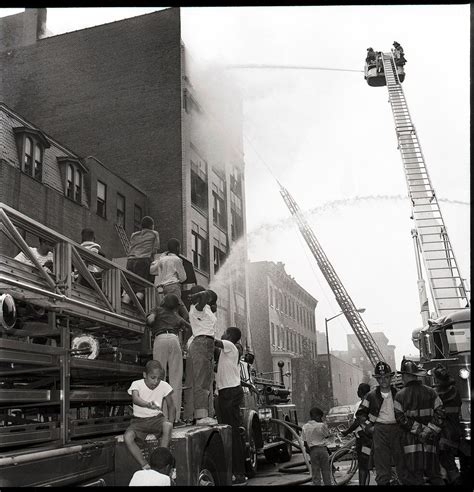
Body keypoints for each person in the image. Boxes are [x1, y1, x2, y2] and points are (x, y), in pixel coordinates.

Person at [394, 358, 445, 485]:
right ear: (416, 375)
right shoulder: (432, 392)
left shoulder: (400, 396)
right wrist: (428, 430)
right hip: (430, 443)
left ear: (405, 376)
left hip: (410, 445)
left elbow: (400, 419)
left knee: (414, 477)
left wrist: (419, 430)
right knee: (435, 475)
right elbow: (441, 413)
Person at [355, 361, 405, 486]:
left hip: (397, 430)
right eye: (380, 378)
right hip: (379, 431)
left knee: (402, 462)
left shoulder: (399, 394)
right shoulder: (370, 396)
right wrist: (369, 428)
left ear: (391, 377)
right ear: (376, 379)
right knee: (381, 464)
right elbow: (360, 414)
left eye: (386, 377)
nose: (383, 380)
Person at [146, 293, 191, 428]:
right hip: (174, 339)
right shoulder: (176, 316)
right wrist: (184, 345)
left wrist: (151, 319)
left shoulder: (157, 310)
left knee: (158, 379)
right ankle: (174, 419)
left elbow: (150, 320)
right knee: (176, 379)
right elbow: (189, 327)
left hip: (160, 339)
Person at [124, 360, 174, 469]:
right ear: (145, 375)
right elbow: (136, 399)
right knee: (128, 437)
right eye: (153, 377)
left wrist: (171, 422)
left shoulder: (164, 385)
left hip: (157, 419)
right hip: (139, 422)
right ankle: (144, 464)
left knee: (168, 426)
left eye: (159, 378)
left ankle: (161, 461)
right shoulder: (136, 384)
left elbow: (171, 406)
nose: (156, 381)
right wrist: (147, 404)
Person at [214, 326, 247, 485]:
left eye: (225, 332)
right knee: (230, 432)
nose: (223, 333)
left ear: (229, 336)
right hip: (227, 392)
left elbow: (214, 342)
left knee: (232, 433)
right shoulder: (226, 353)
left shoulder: (230, 346)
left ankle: (239, 474)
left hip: (230, 392)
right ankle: (237, 472)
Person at [188, 286, 219, 426]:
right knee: (201, 381)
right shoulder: (197, 307)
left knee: (206, 382)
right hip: (201, 342)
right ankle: (201, 416)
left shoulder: (205, 309)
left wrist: (211, 303)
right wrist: (203, 295)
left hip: (207, 344)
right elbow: (205, 296)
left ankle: (205, 414)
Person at [432, 364, 462, 484]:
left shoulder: (440, 393)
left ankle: (455, 482)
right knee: (447, 461)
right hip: (454, 430)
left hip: (445, 433)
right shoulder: (454, 390)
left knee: (447, 462)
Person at [150, 238, 189, 321]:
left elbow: (152, 270)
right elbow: (183, 278)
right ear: (178, 248)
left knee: (167, 310)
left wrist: (160, 257)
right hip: (173, 287)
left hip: (162, 288)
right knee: (177, 312)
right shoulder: (177, 260)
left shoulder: (162, 259)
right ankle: (176, 330)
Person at [341, 383, 372, 486]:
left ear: (361, 392)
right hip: (370, 439)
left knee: (363, 466)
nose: (357, 392)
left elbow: (358, 421)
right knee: (368, 465)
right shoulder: (374, 402)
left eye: (358, 390)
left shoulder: (360, 404)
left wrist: (346, 432)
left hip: (364, 441)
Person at [124, 216, 160, 303]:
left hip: (130, 261)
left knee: (130, 285)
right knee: (142, 286)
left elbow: (130, 248)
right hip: (143, 260)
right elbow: (154, 250)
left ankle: (125, 302)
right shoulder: (154, 234)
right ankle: (137, 304)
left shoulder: (134, 235)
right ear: (152, 226)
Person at [301, 406, 331, 486]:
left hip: (312, 451)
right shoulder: (321, 425)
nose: (321, 419)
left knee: (315, 472)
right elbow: (327, 435)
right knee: (326, 471)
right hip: (322, 450)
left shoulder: (305, 427)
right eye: (320, 417)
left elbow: (305, 443)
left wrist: (309, 451)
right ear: (316, 416)